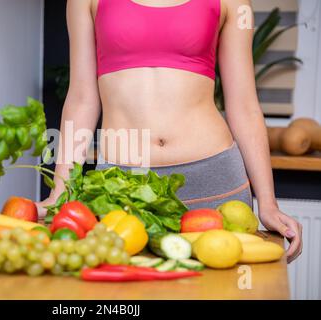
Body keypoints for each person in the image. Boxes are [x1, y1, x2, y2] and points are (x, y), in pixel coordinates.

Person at [37, 0, 302, 262]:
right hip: (123, 184)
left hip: (214, 180)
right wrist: (59, 192)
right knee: (124, 295)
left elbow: (244, 105)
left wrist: (268, 202)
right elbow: (82, 98)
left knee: (222, 291)